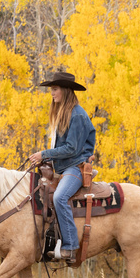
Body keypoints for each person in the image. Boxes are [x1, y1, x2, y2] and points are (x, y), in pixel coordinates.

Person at [28, 70, 96, 262]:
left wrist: (44, 154)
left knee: (59, 197)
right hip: (64, 167)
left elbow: (72, 149)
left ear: (65, 90)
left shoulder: (77, 116)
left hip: (76, 167)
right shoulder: (63, 114)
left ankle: (70, 246)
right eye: (51, 89)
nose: (52, 93)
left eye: (55, 89)